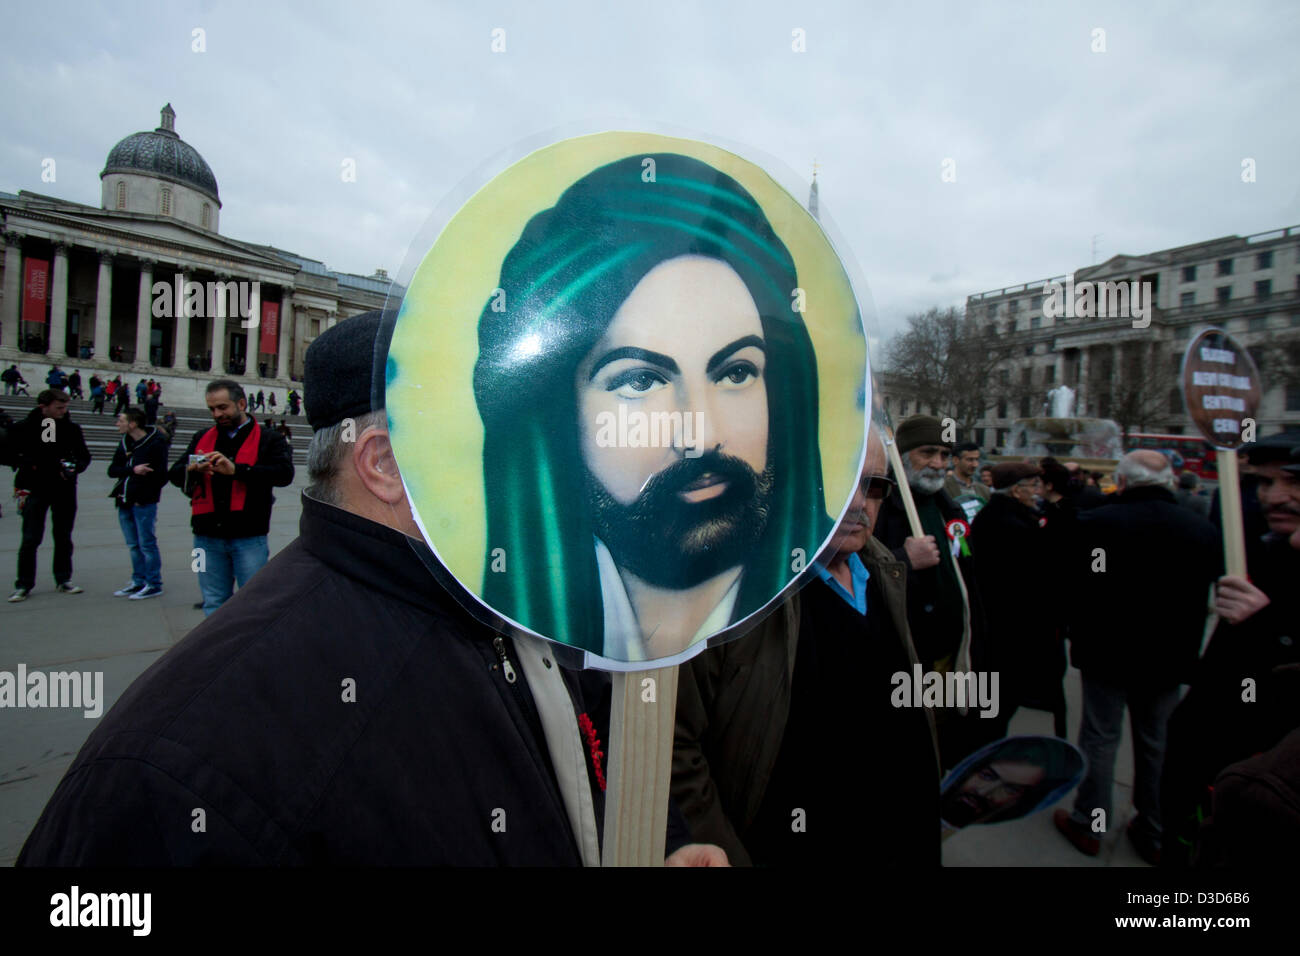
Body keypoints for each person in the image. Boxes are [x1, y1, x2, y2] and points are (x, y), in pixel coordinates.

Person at [17, 312, 720, 866]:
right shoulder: (186, 753)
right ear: (385, 464)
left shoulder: (513, 601)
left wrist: (659, 841)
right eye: (494, 432)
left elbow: (596, 754)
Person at [469, 153, 832, 663]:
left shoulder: (843, 614)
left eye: (736, 373)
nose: (700, 437)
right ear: (556, 414)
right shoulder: (476, 643)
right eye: (640, 381)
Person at [672, 425, 939, 865]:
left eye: (874, 486)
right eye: (841, 478)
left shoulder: (884, 573)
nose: (858, 503)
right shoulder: (731, 590)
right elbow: (677, 751)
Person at [1054, 450, 1220, 864]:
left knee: (1100, 738)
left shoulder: (1099, 523)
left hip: (1108, 652)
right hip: (1169, 656)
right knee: (1156, 742)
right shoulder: (1201, 528)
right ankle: (1155, 828)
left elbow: (1077, 582)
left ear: (1123, 482)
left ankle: (1089, 823)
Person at [1160, 436, 1300, 866]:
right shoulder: (1265, 552)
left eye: (1293, 483)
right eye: (1263, 482)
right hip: (1209, 778)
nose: (1274, 497)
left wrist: (1270, 629)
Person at [873, 415, 983, 766]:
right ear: (903, 455)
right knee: (910, 745)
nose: (938, 463)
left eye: (944, 454)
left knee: (943, 739)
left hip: (950, 655)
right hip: (905, 659)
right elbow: (850, 577)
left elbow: (966, 568)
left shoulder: (948, 508)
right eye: (927, 452)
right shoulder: (876, 505)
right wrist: (903, 559)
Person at [168, 379, 295, 615]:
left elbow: (284, 474)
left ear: (241, 403)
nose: (217, 414)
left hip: (248, 534)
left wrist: (237, 470)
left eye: (223, 407)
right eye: (212, 409)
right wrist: (191, 469)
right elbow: (174, 473)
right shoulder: (202, 437)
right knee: (213, 599)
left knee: (254, 602)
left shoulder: (269, 438)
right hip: (205, 536)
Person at [970, 462, 1067, 741]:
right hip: (1009, 633)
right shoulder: (1016, 526)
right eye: (1032, 486)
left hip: (999, 629)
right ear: (1016, 490)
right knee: (997, 710)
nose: (1036, 492)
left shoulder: (999, 517)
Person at [8, 389, 91, 602]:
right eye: (59, 408)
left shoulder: (71, 429)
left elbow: (84, 457)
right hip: (35, 488)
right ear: (43, 407)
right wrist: (28, 462)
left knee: (63, 536)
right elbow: (9, 454)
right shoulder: (24, 428)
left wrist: (74, 468)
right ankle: (24, 583)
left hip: (63, 489)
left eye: (65, 407)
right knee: (30, 538)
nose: (63, 411)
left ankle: (63, 578)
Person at [107, 407, 169, 599]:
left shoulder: (155, 443)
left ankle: (153, 583)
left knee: (146, 543)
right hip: (124, 499)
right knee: (134, 544)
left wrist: (146, 495)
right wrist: (132, 470)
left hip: (143, 502)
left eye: (121, 420)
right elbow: (112, 470)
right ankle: (138, 580)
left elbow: (161, 476)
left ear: (132, 424)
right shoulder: (125, 442)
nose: (117, 424)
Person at [944, 440, 990, 508]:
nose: (975, 465)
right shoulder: (943, 487)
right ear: (955, 460)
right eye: (970, 460)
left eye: (976, 459)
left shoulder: (984, 490)